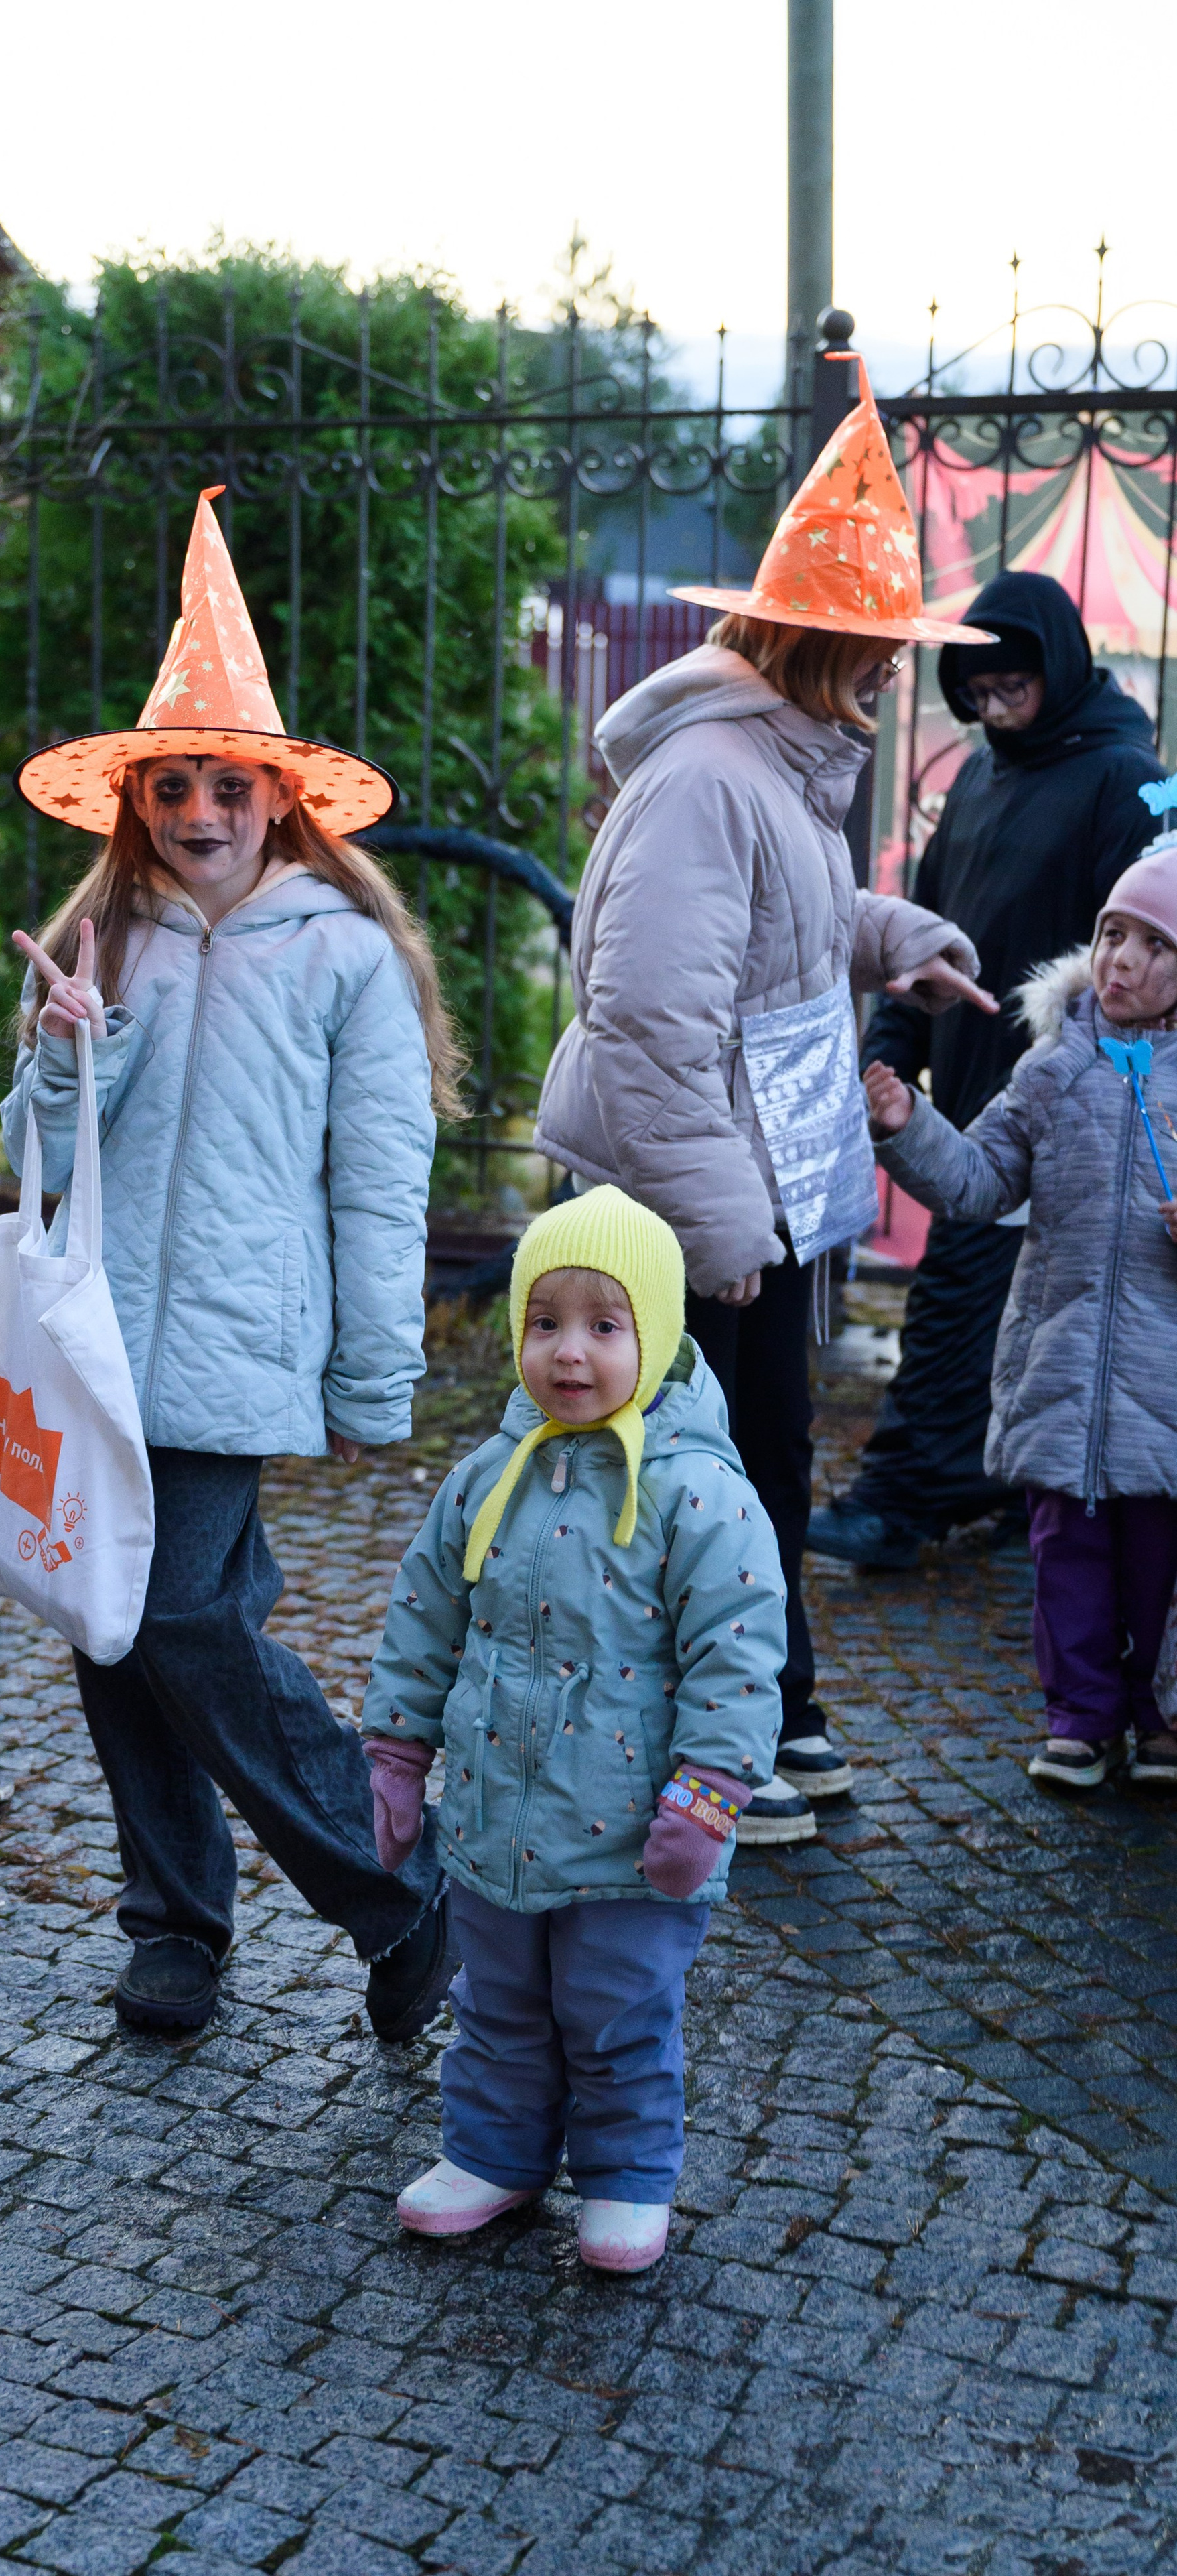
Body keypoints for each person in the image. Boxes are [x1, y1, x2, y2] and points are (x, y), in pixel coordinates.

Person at [4, 488, 465, 2043]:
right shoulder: (102, 940)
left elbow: (380, 1177)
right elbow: (45, 1153)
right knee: (112, 1631)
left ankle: (394, 1889)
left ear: (280, 799)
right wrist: (69, 1052)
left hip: (229, 1348)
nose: (199, 809)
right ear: (136, 801)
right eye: (173, 785)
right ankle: (177, 1927)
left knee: (185, 1618)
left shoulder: (344, 952)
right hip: (95, 1342)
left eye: (227, 784)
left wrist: (369, 1374)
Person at [533, 369, 997, 1845]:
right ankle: (719, 1734)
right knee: (698, 1477)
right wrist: (723, 1224)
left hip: (759, 1187)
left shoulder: (774, 772)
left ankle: (766, 1712)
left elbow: (777, 931)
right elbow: (649, 1020)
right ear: (808, 642)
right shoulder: (711, 779)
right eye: (872, 648)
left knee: (759, 1464)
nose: (888, 674)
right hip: (699, 1198)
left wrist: (893, 941)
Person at [360, 1187, 784, 2270]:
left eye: (606, 1325)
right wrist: (398, 1756)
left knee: (615, 2015)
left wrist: (709, 1796)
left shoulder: (701, 1496)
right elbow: (424, 1617)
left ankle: (628, 2177)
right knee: (495, 2004)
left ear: (658, 1333)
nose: (570, 1354)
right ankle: (493, 2155)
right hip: (498, 1822)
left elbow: (738, 1657)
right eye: (545, 1323)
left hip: (634, 1846)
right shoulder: (486, 1478)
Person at [811, 570, 1165, 1571]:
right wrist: (893, 1044)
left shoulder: (1125, 776)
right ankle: (1018, 1495)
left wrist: (1097, 1078)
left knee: (962, 1294)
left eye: (1015, 682)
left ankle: (903, 1498)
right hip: (971, 1083)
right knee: (1018, 1311)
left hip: (1068, 1098)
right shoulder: (978, 774)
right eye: (978, 686)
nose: (997, 703)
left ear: (1057, 666)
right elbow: (931, 922)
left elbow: (1142, 950)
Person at [863, 832, 1177, 1788]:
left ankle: (1162, 1719)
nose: (1124, 961)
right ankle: (1080, 1717)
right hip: (1061, 1363)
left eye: (1157, 947)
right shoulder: (1053, 1072)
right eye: (1114, 935)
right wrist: (909, 1130)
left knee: (1159, 1566)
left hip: (1166, 1384)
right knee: (1067, 1554)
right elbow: (980, 1182)